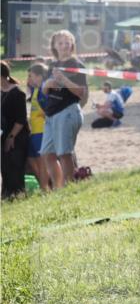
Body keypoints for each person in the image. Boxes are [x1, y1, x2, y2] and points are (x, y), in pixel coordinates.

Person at [40, 30, 88, 189]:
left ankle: (70, 187)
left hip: (67, 111)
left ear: (72, 45)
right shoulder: (52, 65)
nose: (64, 46)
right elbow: (44, 91)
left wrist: (63, 80)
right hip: (51, 114)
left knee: (64, 153)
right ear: (54, 45)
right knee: (47, 154)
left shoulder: (77, 64)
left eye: (68, 42)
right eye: (60, 43)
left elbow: (80, 92)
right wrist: (47, 85)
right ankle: (59, 188)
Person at [1, 62, 30, 199]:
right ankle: (6, 194)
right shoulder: (1, 92)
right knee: (5, 167)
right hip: (4, 133)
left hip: (17, 136)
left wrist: (11, 137)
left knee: (15, 166)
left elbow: (21, 119)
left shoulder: (18, 93)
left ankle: (17, 194)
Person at [25, 63, 50, 191]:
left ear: (39, 76)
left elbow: (49, 111)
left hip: (41, 131)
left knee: (42, 162)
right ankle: (43, 185)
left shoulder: (44, 90)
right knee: (31, 159)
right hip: (34, 132)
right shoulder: (35, 90)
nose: (28, 79)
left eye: (31, 76)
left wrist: (44, 114)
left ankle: (45, 187)